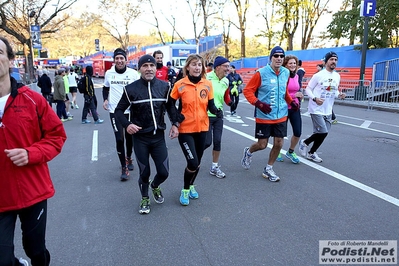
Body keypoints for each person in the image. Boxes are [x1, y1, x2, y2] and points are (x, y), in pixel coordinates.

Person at [0, 36, 67, 266]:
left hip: (33, 191)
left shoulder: (33, 100)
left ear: (10, 61)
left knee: (36, 251)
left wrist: (31, 153)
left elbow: (57, 136)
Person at [114, 55, 180, 214]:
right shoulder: (130, 89)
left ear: (156, 68)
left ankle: (155, 186)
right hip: (140, 139)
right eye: (145, 66)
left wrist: (175, 124)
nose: (149, 68)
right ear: (140, 69)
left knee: (164, 172)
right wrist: (127, 124)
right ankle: (145, 198)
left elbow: (171, 108)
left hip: (158, 138)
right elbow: (118, 111)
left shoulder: (165, 87)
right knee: (145, 172)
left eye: (152, 65)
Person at [170, 54, 223, 206]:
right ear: (187, 67)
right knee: (192, 162)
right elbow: (170, 104)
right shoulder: (179, 84)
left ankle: (192, 185)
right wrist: (175, 120)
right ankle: (185, 189)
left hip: (202, 128)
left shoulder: (207, 84)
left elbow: (210, 105)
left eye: (199, 65)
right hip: (186, 129)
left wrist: (217, 110)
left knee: (197, 162)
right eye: (194, 64)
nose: (197, 67)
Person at [240, 46, 298, 182]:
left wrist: (291, 101)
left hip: (281, 114)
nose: (278, 58)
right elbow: (247, 91)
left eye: (281, 56)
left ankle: (269, 168)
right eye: (276, 56)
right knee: (262, 145)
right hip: (264, 116)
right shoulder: (261, 73)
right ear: (271, 58)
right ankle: (248, 152)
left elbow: (284, 91)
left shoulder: (285, 72)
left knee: (279, 143)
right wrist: (259, 103)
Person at [299, 51, 346, 163]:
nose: (333, 62)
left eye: (335, 60)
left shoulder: (337, 76)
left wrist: (339, 94)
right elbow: (308, 89)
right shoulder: (318, 75)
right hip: (316, 108)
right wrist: (315, 98)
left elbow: (334, 90)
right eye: (331, 59)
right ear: (326, 62)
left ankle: (311, 152)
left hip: (328, 109)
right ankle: (305, 142)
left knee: (322, 134)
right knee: (323, 132)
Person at [102, 48, 140, 181]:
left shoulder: (134, 74)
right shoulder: (109, 73)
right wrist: (105, 99)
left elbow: (139, 89)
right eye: (117, 58)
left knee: (130, 138)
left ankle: (129, 157)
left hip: (131, 110)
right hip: (114, 111)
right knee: (119, 138)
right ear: (114, 60)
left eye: (121, 58)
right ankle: (123, 167)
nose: (119, 61)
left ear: (126, 60)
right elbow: (106, 87)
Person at [204, 56, 233, 179]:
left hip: (218, 115)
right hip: (205, 115)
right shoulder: (206, 77)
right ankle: (194, 161)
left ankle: (214, 166)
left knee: (217, 141)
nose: (228, 69)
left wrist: (230, 102)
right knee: (206, 142)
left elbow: (225, 96)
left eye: (229, 66)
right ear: (218, 67)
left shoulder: (226, 80)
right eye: (226, 66)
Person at [276, 55, 303, 164]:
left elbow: (296, 89)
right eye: (290, 63)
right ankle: (277, 150)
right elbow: (280, 93)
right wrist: (293, 95)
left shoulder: (296, 76)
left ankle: (290, 151)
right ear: (285, 65)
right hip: (284, 107)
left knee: (298, 132)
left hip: (295, 107)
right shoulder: (282, 76)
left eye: (294, 63)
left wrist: (300, 95)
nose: (292, 65)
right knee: (281, 133)